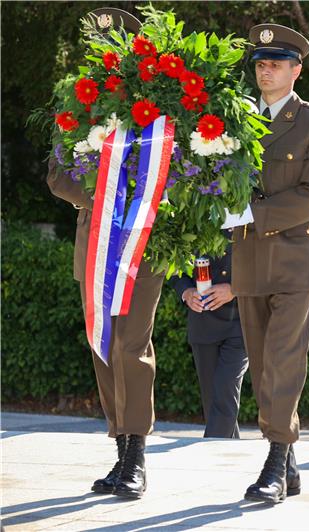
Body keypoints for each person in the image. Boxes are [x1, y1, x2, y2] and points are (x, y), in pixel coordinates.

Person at [45, 7, 157, 500]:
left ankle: (137, 455)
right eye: (98, 47)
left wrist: (130, 199)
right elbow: (56, 174)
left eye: (115, 48)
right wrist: (100, 195)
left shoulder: (160, 103)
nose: (105, 56)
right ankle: (119, 450)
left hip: (143, 244)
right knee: (103, 344)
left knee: (132, 345)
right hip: (94, 242)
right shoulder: (79, 104)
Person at [232, 23, 309, 504]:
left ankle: (275, 461)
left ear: (296, 70)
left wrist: (251, 212)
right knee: (260, 365)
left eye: (275, 62)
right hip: (249, 257)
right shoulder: (235, 121)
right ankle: (289, 463)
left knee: (283, 360)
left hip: (295, 257)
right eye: (260, 62)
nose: (265, 69)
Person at [169, 237, 247, 438]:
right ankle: (231, 458)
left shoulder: (252, 208)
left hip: (240, 320)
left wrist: (235, 288)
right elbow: (171, 255)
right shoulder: (193, 208)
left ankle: (211, 455)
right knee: (213, 401)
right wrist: (186, 291)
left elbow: (264, 260)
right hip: (203, 319)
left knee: (226, 391)